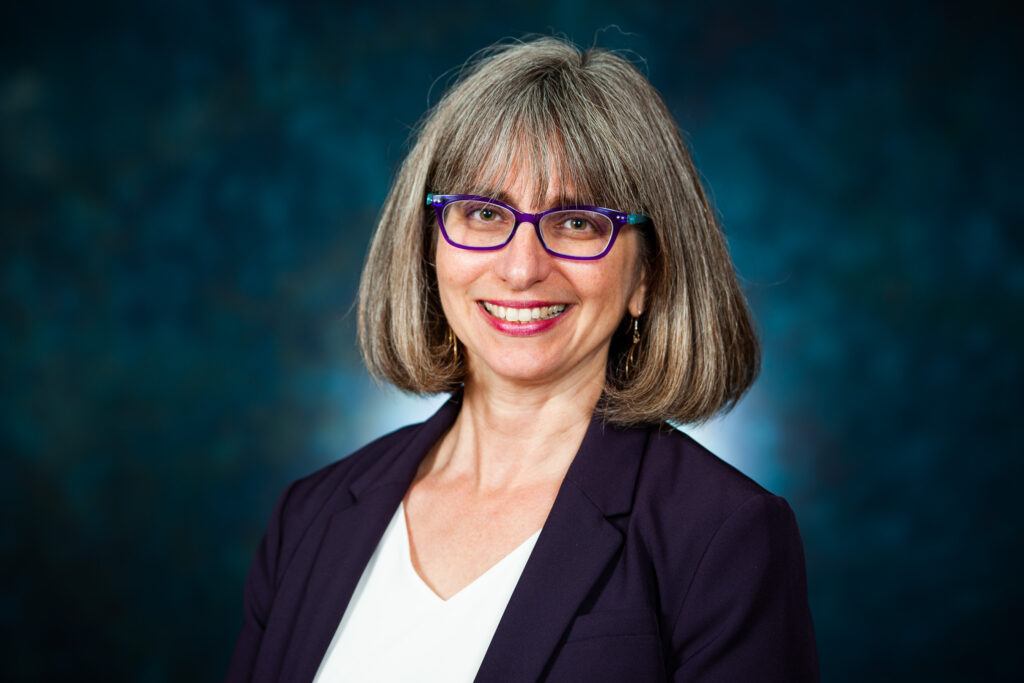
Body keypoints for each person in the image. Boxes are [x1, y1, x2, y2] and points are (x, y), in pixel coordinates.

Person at [226, 37, 819, 682]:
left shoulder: (722, 537)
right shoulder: (311, 515)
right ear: (430, 251)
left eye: (577, 222)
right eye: (483, 212)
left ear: (649, 274)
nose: (520, 268)